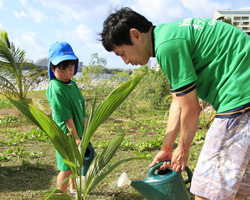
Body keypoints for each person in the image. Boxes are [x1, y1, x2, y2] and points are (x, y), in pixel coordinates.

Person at [100, 7, 250, 200]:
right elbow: (178, 102)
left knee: (206, 193)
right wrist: (167, 148)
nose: (126, 61)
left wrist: (183, 149)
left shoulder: (167, 46)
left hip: (240, 101)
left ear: (135, 35)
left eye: (122, 53)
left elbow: (191, 108)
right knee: (233, 191)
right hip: (243, 100)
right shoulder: (169, 35)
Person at [46, 41, 87, 196]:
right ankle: (59, 196)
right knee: (66, 166)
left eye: (70, 69)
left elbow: (81, 106)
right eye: (62, 71)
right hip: (67, 134)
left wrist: (85, 127)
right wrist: (75, 135)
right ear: (52, 68)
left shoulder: (73, 84)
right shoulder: (55, 87)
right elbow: (64, 115)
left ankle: (72, 189)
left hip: (77, 130)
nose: (67, 74)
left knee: (75, 163)